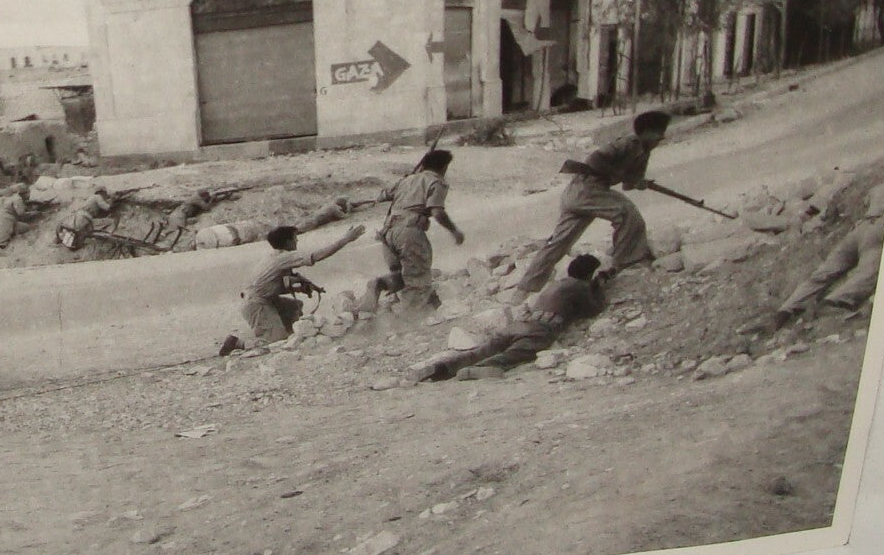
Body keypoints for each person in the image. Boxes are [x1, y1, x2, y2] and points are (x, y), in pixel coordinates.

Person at [513, 109, 671, 300]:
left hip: (585, 195)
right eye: (658, 132)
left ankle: (525, 289)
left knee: (559, 243)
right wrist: (620, 174)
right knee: (626, 213)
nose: (661, 137)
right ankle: (628, 262)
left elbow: (628, 185)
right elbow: (595, 159)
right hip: (587, 190)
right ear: (645, 132)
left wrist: (639, 183)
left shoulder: (644, 153)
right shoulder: (628, 143)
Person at [411, 254, 609, 383]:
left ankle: (441, 367)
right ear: (588, 274)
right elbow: (593, 309)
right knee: (513, 355)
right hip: (539, 329)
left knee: (482, 350)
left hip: (519, 324)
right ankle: (478, 370)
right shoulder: (579, 286)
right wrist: (599, 287)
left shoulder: (557, 284)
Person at [767, 167, 884, 331]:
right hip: (880, 228)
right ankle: (835, 301)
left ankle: (786, 309)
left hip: (860, 228)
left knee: (824, 272)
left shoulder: (876, 189)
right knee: (869, 271)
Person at [221, 223, 366, 353]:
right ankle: (239, 343)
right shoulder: (284, 258)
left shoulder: (274, 256)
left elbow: (271, 285)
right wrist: (346, 239)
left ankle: (288, 334)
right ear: (287, 242)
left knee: (295, 307)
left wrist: (300, 287)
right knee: (276, 342)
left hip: (259, 299)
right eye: (295, 238)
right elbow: (316, 256)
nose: (297, 241)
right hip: (256, 304)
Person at [357, 149, 465, 312]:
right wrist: (454, 231)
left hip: (388, 233)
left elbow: (382, 196)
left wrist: (409, 178)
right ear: (444, 168)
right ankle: (412, 321)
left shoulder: (406, 180)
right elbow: (437, 212)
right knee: (417, 281)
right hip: (408, 232)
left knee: (401, 276)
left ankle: (380, 283)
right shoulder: (436, 182)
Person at [0, 183, 35, 249]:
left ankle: (11, 233)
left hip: (10, 220)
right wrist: (33, 213)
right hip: (6, 220)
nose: (29, 195)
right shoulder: (17, 199)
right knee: (3, 240)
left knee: (26, 227)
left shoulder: (16, 198)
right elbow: (21, 213)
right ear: (22, 193)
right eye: (27, 193)